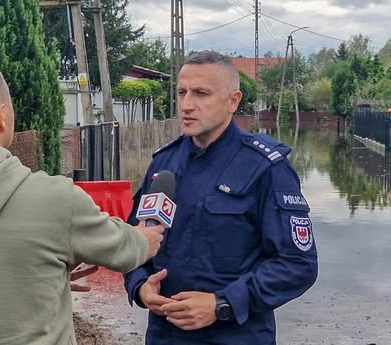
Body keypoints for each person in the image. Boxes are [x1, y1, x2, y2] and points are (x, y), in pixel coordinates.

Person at [0, 57, 166, 345]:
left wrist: (35, 275)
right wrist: (147, 236)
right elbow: (126, 251)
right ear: (2, 115)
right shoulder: (55, 200)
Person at [124, 51, 318, 344]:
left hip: (236, 336)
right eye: (182, 92)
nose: (187, 105)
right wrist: (140, 286)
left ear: (233, 101)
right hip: (165, 335)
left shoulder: (265, 168)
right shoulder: (163, 164)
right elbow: (132, 242)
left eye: (201, 93)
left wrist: (222, 304)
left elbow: (297, 264)